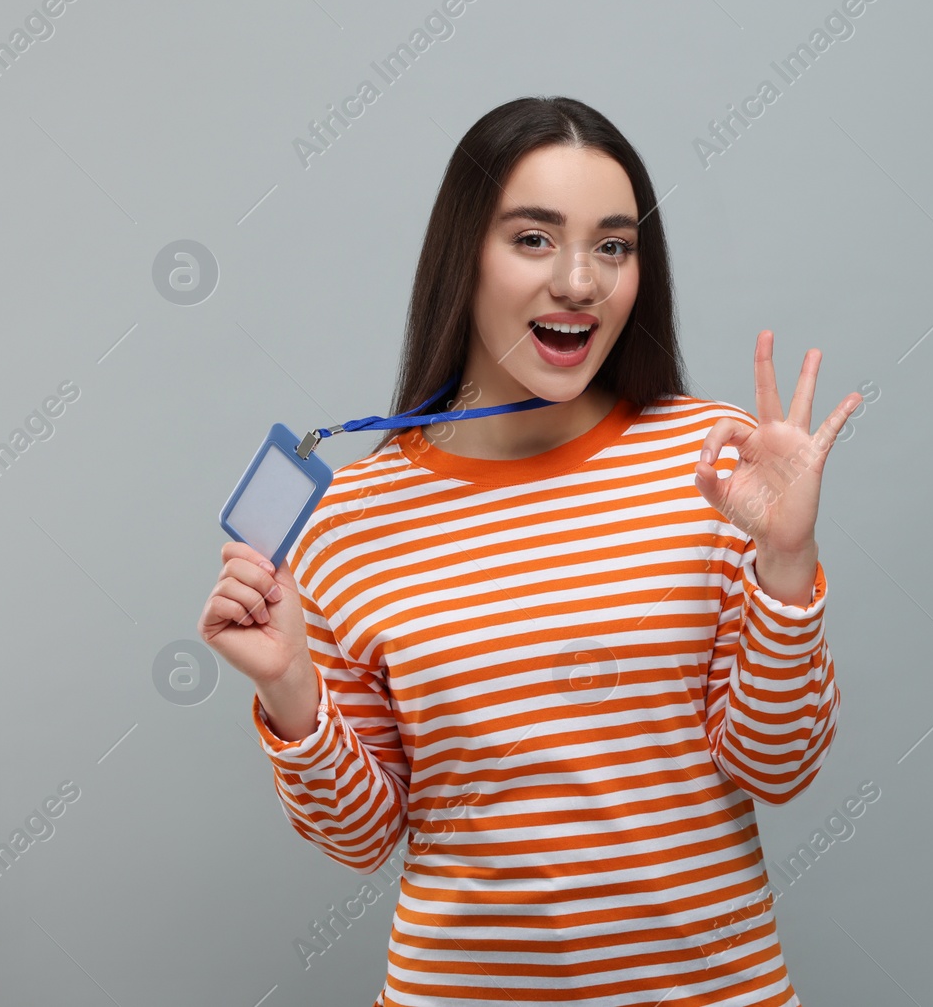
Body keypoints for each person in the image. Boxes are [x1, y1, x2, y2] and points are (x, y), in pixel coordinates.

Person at [197, 96, 862, 1006]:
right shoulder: (350, 518)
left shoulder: (717, 461)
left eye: (615, 245)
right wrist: (292, 692)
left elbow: (777, 766)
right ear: (462, 254)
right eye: (535, 239)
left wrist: (787, 565)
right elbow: (362, 838)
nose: (581, 282)